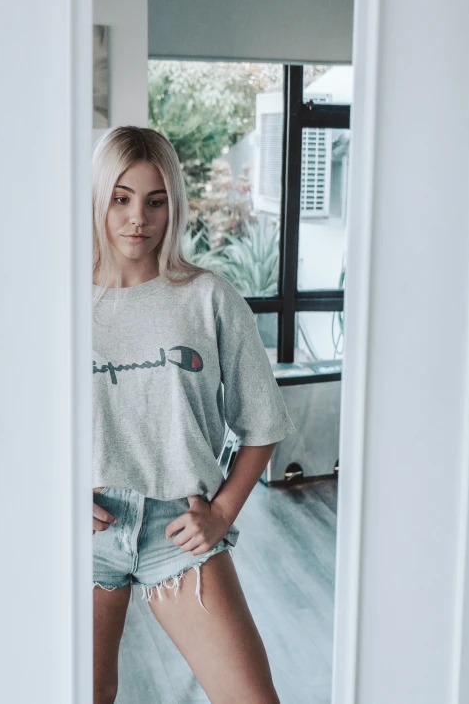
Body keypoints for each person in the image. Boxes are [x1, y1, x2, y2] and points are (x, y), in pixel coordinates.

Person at [91, 125, 296, 704]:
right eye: (121, 198)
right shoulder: (61, 302)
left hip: (177, 526)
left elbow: (264, 424)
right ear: (99, 198)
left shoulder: (208, 297)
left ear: (174, 206)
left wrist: (223, 513)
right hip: (87, 527)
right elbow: (17, 427)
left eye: (155, 201)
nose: (138, 218)